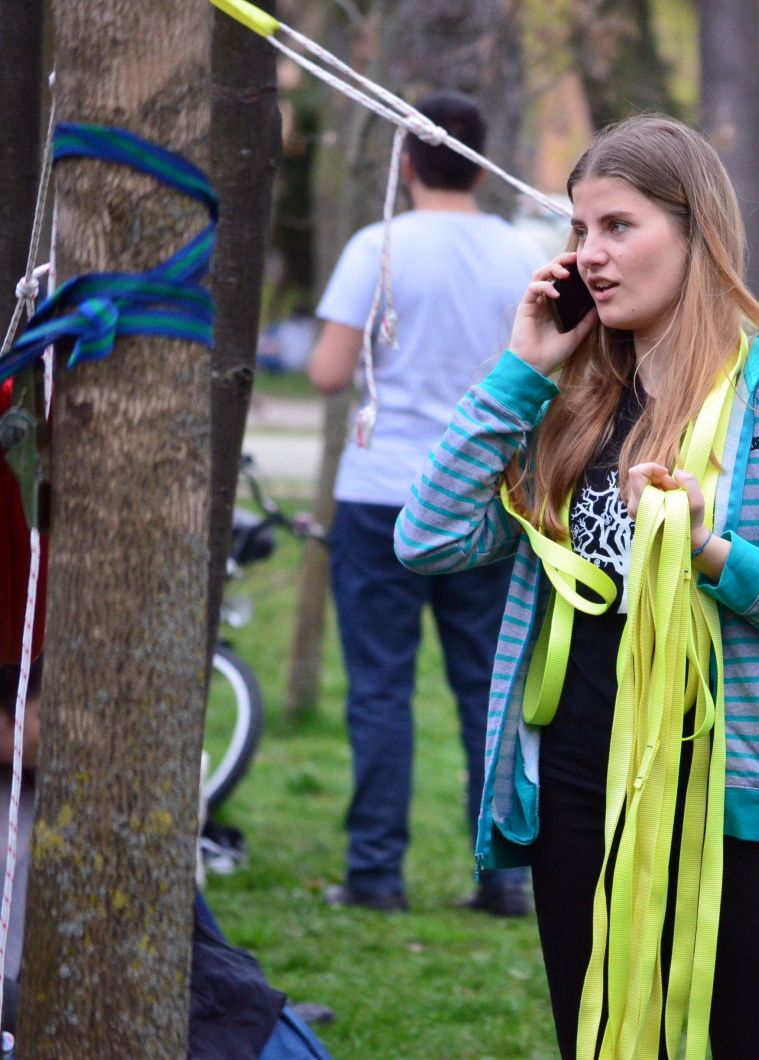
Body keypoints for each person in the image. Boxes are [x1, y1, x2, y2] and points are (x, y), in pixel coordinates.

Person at [395, 115, 759, 1059]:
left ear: (696, 231)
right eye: (579, 231)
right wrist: (520, 373)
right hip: (585, 798)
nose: (590, 256)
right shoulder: (573, 408)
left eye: (618, 227)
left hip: (743, 808)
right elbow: (429, 536)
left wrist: (713, 553)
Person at [308, 90, 540, 916]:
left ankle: (375, 874)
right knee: (488, 685)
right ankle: (506, 876)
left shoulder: (379, 247)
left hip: (379, 497)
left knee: (379, 687)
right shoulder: (522, 253)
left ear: (407, 162)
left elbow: (331, 373)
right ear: (481, 161)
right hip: (485, 496)